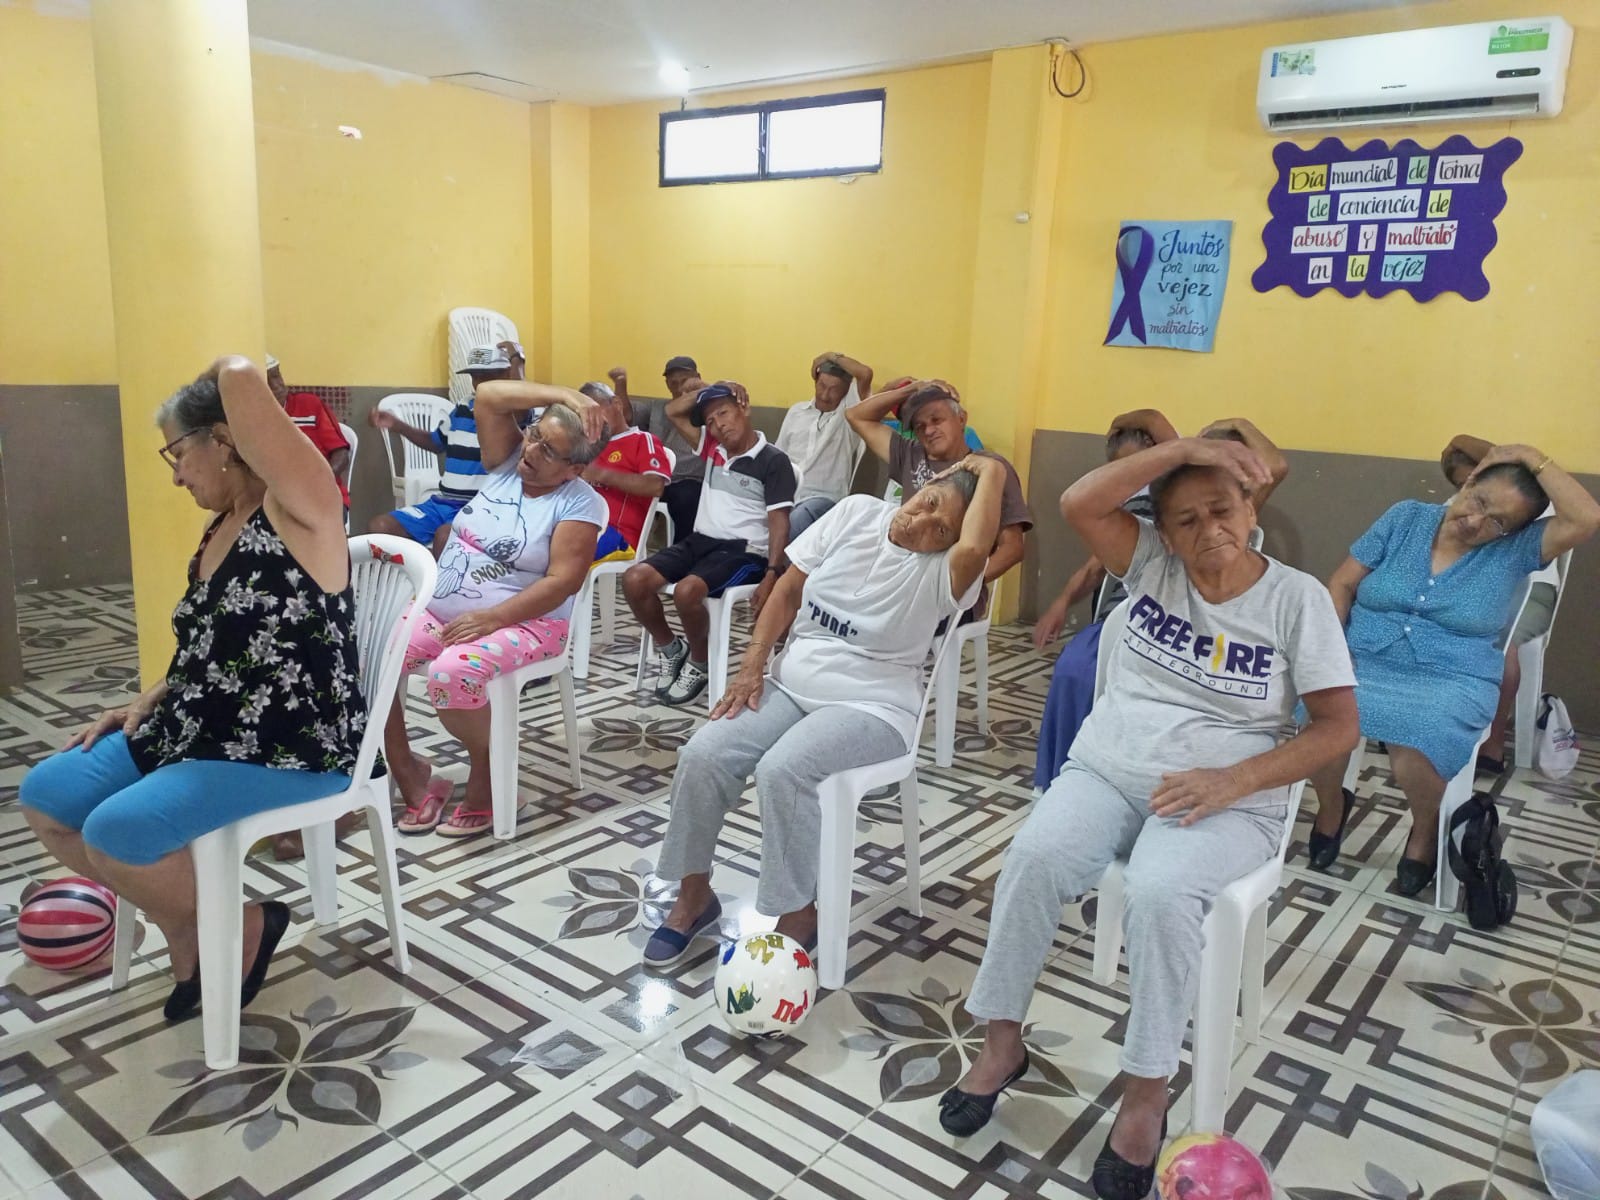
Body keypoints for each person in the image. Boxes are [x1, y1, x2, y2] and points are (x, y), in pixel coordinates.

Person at [939, 437, 1358, 1200]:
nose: (1209, 531)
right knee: (1033, 858)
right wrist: (1187, 447)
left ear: (1251, 510)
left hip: (1227, 795)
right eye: (1186, 520)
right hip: (1109, 770)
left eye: (1222, 510)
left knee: (1160, 894)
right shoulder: (1153, 566)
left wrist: (1235, 780)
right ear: (1163, 532)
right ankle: (1001, 1044)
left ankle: (1146, 1091)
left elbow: (1337, 729)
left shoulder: (1295, 600)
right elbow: (1078, 502)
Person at [19, 357, 369, 1024]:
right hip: (197, 723)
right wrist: (151, 692)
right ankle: (201, 925)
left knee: (115, 832)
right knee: (47, 797)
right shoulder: (220, 524)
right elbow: (215, 638)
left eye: (178, 453)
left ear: (224, 439)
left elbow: (238, 371)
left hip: (290, 744)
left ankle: (232, 929)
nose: (176, 475)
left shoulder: (301, 511)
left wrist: (219, 385)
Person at [642, 456, 1005, 966]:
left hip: (874, 706)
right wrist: (752, 666)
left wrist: (993, 471)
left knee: (784, 769)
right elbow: (789, 589)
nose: (921, 522)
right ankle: (694, 895)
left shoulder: (947, 572)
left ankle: (798, 914)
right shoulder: (857, 513)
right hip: (792, 684)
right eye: (929, 502)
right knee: (705, 753)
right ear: (924, 485)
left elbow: (976, 545)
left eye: (941, 529)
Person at [1305, 444, 1599, 892]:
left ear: (1514, 530)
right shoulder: (1406, 517)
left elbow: (1587, 517)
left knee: (1420, 736)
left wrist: (1529, 455)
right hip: (1361, 657)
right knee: (1321, 715)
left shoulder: (1516, 549)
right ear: (1468, 482)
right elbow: (1342, 583)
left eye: (1497, 521)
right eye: (1478, 501)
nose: (1476, 522)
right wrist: (1332, 651)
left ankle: (1425, 830)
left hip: (1454, 676)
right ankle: (1331, 807)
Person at [386, 381, 610, 839]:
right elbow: (488, 395)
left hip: (530, 623)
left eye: (549, 451)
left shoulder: (580, 504)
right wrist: (567, 396)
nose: (532, 451)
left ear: (574, 469)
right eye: (535, 435)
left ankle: (488, 777)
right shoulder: (509, 462)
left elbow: (562, 582)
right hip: (444, 610)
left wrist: (494, 617)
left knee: (450, 672)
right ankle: (410, 772)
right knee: (374, 656)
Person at [1032, 414, 1289, 791]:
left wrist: (1238, 424)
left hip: (1194, 631)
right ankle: (1070, 774)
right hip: (1132, 613)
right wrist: (1062, 602)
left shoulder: (1238, 508)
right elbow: (1089, 546)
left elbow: (1275, 466)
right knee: (1075, 668)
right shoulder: (1150, 508)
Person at [622, 381, 796, 707]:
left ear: (744, 407)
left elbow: (779, 521)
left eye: (724, 413)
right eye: (711, 421)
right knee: (634, 580)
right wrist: (718, 385)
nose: (719, 425)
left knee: (688, 591)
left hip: (745, 551)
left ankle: (699, 662)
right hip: (700, 541)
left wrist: (773, 572)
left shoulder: (773, 461)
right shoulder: (713, 449)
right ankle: (673, 649)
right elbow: (673, 410)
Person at [846, 377, 1032, 618]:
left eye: (936, 420)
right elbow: (856, 416)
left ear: (961, 419)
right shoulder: (909, 454)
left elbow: (1013, 548)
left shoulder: (989, 470)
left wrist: (959, 585)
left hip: (949, 593)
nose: (929, 430)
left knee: (871, 616)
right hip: (896, 574)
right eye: (920, 426)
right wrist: (913, 388)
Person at [1441, 433, 1558, 775]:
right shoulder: (1455, 507)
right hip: (1476, 590)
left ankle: (1492, 743)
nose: (1469, 490)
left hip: (1530, 592)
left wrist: (1464, 441)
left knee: (1501, 646)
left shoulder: (1530, 498)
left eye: (1476, 478)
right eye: (1461, 484)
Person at [367, 341, 524, 556]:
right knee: (380, 528)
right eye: (475, 376)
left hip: (480, 507)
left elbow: (520, 399)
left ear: (506, 375)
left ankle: (439, 579)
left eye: (486, 376)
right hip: (441, 504)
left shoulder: (510, 413)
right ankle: (410, 577)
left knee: (445, 536)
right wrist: (397, 425)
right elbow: (435, 442)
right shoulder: (463, 406)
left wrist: (517, 359)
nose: (479, 384)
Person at [776, 351, 873, 538]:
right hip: (787, 495)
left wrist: (830, 356)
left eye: (834, 389)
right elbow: (778, 456)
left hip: (823, 500)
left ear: (846, 391)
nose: (825, 395)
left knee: (796, 521)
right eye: (822, 386)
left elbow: (865, 373)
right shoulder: (796, 411)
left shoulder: (848, 416)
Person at [610, 356, 706, 541]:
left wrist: (703, 389)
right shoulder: (658, 407)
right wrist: (620, 383)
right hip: (656, 477)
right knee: (621, 488)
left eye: (685, 381)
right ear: (667, 384)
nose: (679, 387)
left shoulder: (707, 410)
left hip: (689, 480)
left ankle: (682, 549)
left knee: (687, 497)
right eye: (673, 382)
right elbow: (627, 417)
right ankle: (625, 544)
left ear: (697, 378)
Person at [577, 380, 673, 562]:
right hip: (580, 524)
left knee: (564, 550)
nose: (593, 420)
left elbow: (655, 485)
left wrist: (601, 474)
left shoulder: (642, 440)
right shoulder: (587, 444)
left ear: (617, 404)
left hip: (618, 536)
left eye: (597, 411)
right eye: (586, 415)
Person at [266, 355, 352, 511]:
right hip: (277, 502)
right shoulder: (254, 418)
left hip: (324, 498)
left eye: (276, 376)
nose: (276, 385)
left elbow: (341, 455)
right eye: (267, 380)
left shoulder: (310, 405)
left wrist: (318, 483)